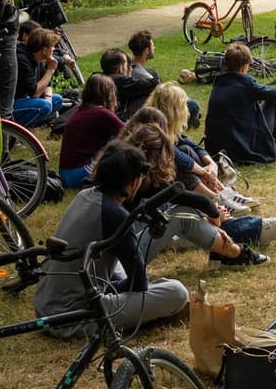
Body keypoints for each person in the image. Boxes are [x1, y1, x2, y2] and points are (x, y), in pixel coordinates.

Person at [32, 142, 188, 336]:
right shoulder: (116, 215)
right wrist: (122, 290)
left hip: (45, 308)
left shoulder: (85, 195)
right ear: (133, 182)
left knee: (119, 269)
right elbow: (139, 283)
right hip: (74, 317)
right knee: (177, 292)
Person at [122, 119, 272, 267]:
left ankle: (227, 250)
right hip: (120, 259)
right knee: (184, 218)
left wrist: (209, 216)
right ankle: (236, 251)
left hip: (118, 250)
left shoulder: (125, 168)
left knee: (186, 212)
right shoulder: (142, 179)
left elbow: (188, 199)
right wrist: (216, 221)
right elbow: (198, 201)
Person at [145, 82, 267, 217]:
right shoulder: (153, 129)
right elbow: (177, 156)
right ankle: (215, 199)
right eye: (183, 106)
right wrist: (204, 172)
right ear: (173, 110)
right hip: (153, 185)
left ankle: (224, 193)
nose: (186, 111)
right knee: (178, 163)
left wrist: (211, 164)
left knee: (187, 149)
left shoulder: (162, 124)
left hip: (164, 179)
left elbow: (192, 145)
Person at [205, 43, 276, 164]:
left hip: (216, 149)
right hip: (242, 149)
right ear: (244, 66)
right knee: (272, 103)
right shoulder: (248, 86)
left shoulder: (218, 84)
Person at [59, 73, 125, 188]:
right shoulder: (102, 113)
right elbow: (128, 132)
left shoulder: (82, 110)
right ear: (109, 94)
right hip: (80, 173)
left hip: (65, 174)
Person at [127, 29, 201, 126]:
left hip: (146, 108)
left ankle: (191, 118)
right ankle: (190, 119)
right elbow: (164, 95)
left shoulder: (130, 68)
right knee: (194, 105)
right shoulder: (147, 76)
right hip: (155, 110)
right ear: (147, 51)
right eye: (153, 45)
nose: (154, 47)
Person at [13, 27, 63, 128]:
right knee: (45, 106)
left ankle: (32, 123)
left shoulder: (37, 58)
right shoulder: (22, 60)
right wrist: (51, 70)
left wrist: (48, 98)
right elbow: (35, 93)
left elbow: (47, 85)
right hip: (12, 104)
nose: (54, 49)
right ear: (44, 50)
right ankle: (16, 130)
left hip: (26, 99)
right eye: (52, 46)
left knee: (57, 100)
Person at [105, 43, 159, 121]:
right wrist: (131, 74)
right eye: (127, 65)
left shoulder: (100, 77)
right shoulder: (119, 80)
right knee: (148, 94)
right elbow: (154, 83)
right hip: (119, 120)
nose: (130, 67)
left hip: (106, 116)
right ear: (120, 68)